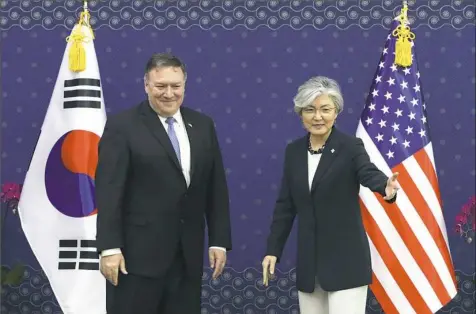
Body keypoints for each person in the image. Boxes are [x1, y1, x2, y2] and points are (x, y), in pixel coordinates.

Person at [95, 53, 232, 314]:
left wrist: (219, 240)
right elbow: (109, 190)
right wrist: (109, 248)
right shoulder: (123, 126)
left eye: (175, 86)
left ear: (184, 85)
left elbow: (215, 188)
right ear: (146, 85)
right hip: (135, 260)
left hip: (186, 257)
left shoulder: (203, 125)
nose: (169, 93)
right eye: (160, 86)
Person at [261, 76, 399, 314]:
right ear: (300, 114)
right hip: (309, 264)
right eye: (310, 110)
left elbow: (366, 172)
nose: (318, 117)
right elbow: (285, 206)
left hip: (346, 262)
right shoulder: (293, 152)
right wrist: (273, 250)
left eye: (325, 109)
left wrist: (384, 187)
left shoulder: (350, 146)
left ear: (336, 112)